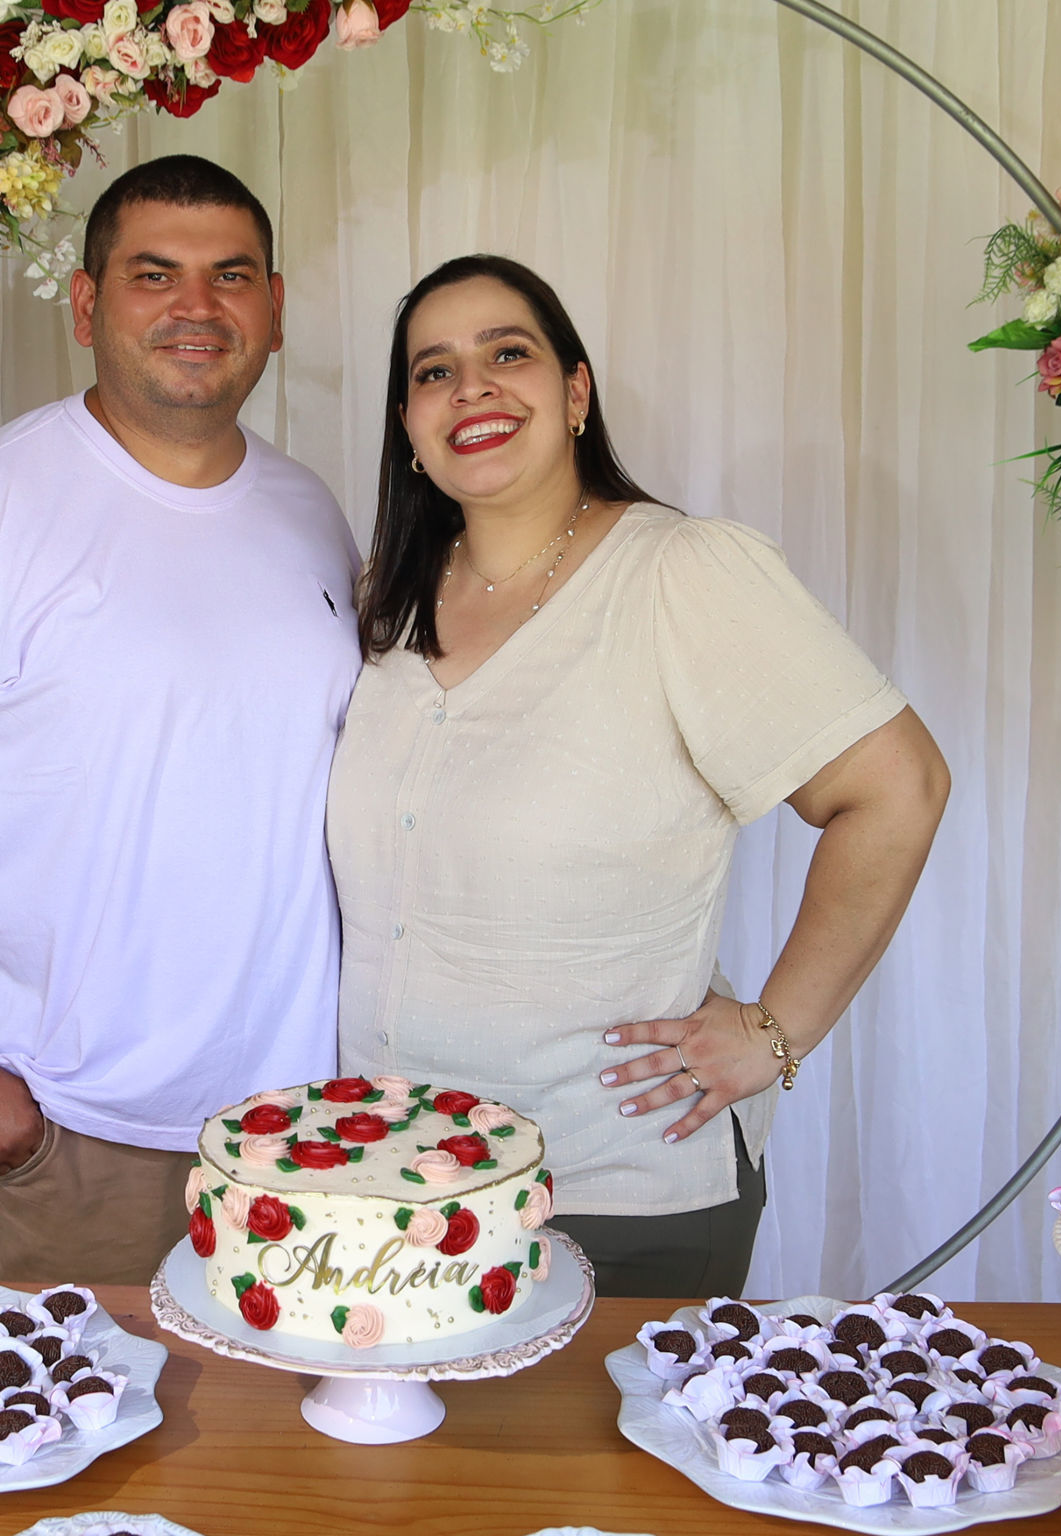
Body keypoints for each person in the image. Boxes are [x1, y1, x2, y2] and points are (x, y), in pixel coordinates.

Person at [327, 255, 950, 1297]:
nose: (471, 388)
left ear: (576, 393)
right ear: (407, 425)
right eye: (435, 372)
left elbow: (897, 788)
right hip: (397, 1187)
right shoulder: (387, 606)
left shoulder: (679, 573)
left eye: (507, 354)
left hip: (611, 1193)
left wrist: (773, 1034)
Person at [0, 156, 361, 1286]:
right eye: (154, 274)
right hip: (82, 1127)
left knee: (306, 1453)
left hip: (307, 1125)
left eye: (231, 276)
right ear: (85, 305)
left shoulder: (311, 510)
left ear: (274, 306)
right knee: (90, 1447)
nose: (196, 308)